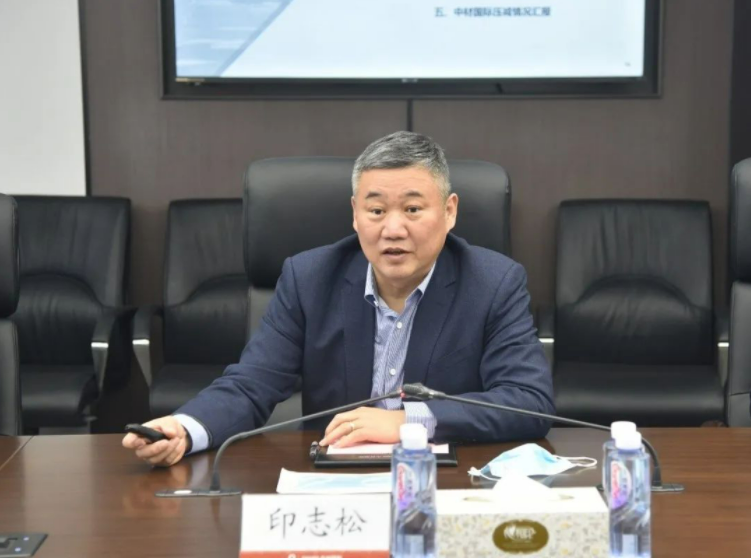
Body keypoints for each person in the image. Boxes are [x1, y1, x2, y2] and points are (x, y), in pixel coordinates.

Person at [123, 131, 555, 466]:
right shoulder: (310, 278)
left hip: (445, 480)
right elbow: (251, 384)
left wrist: (406, 421)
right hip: (332, 479)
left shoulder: (493, 283)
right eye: (376, 211)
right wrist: (185, 428)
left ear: (449, 211)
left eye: (412, 209)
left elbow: (529, 402)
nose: (393, 229)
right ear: (355, 214)